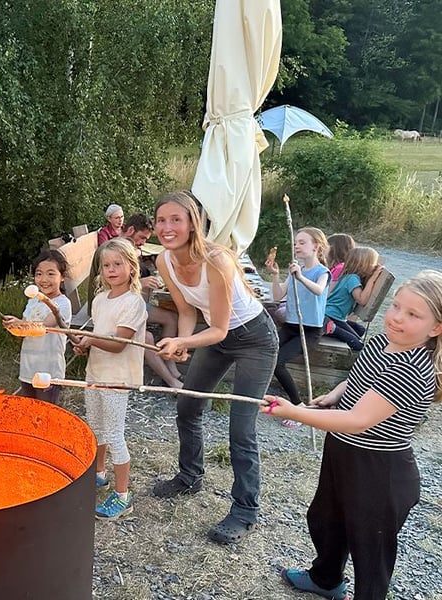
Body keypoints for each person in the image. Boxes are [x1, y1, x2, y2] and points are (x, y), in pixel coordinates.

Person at [260, 270, 442, 600]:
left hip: (379, 469)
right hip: (343, 450)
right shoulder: (382, 342)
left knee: (369, 547)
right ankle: (326, 580)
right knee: (326, 519)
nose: (397, 318)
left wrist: (294, 412)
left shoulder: (413, 369)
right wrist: (335, 394)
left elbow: (359, 420)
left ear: (436, 328)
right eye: (396, 306)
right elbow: (360, 379)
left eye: (413, 315)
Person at [151, 191, 279, 545]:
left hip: (254, 338)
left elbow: (221, 328)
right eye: (161, 220)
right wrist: (182, 343)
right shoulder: (164, 261)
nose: (167, 227)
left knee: (241, 427)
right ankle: (189, 476)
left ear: (193, 223)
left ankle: (245, 510)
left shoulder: (217, 261)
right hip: (214, 336)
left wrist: (184, 342)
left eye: (176, 220)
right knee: (188, 406)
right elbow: (187, 311)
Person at [73, 237, 147, 520]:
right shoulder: (100, 300)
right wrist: (84, 345)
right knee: (96, 428)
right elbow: (99, 334)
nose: (111, 270)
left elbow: (118, 344)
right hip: (96, 373)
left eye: (118, 264)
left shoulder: (134, 303)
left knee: (115, 434)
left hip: (117, 378)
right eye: (106, 265)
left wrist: (91, 340)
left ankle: (123, 496)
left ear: (132, 267)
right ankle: (100, 472)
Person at [89, 213, 182, 389]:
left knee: (171, 318)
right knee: (147, 336)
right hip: (110, 303)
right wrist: (141, 283)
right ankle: (170, 379)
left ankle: (170, 366)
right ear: (131, 230)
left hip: (124, 301)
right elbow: (107, 286)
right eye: (142, 238)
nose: (143, 243)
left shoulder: (125, 248)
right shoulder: (114, 249)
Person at [265, 227, 330, 427]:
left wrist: (300, 277)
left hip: (309, 330)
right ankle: (260, 394)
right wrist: (276, 275)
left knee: (278, 362)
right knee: (266, 352)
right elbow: (278, 296)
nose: (297, 246)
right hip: (291, 325)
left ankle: (298, 405)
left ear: (316, 246)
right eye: (296, 243)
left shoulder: (322, 272)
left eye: (302, 242)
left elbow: (319, 290)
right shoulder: (296, 269)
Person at [3, 250, 72, 404]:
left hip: (49, 372)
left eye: (51, 274)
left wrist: (20, 324)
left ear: (62, 277)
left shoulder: (62, 304)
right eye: (39, 274)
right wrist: (13, 325)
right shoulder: (33, 301)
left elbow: (43, 327)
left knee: (45, 413)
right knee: (29, 411)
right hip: (28, 369)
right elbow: (24, 328)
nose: (44, 279)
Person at [324, 246, 383, 351]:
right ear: (363, 264)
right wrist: (373, 278)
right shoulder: (352, 278)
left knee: (360, 330)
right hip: (332, 316)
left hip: (332, 315)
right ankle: (332, 328)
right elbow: (362, 300)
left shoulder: (348, 275)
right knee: (358, 345)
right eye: (374, 263)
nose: (375, 267)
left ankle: (330, 328)